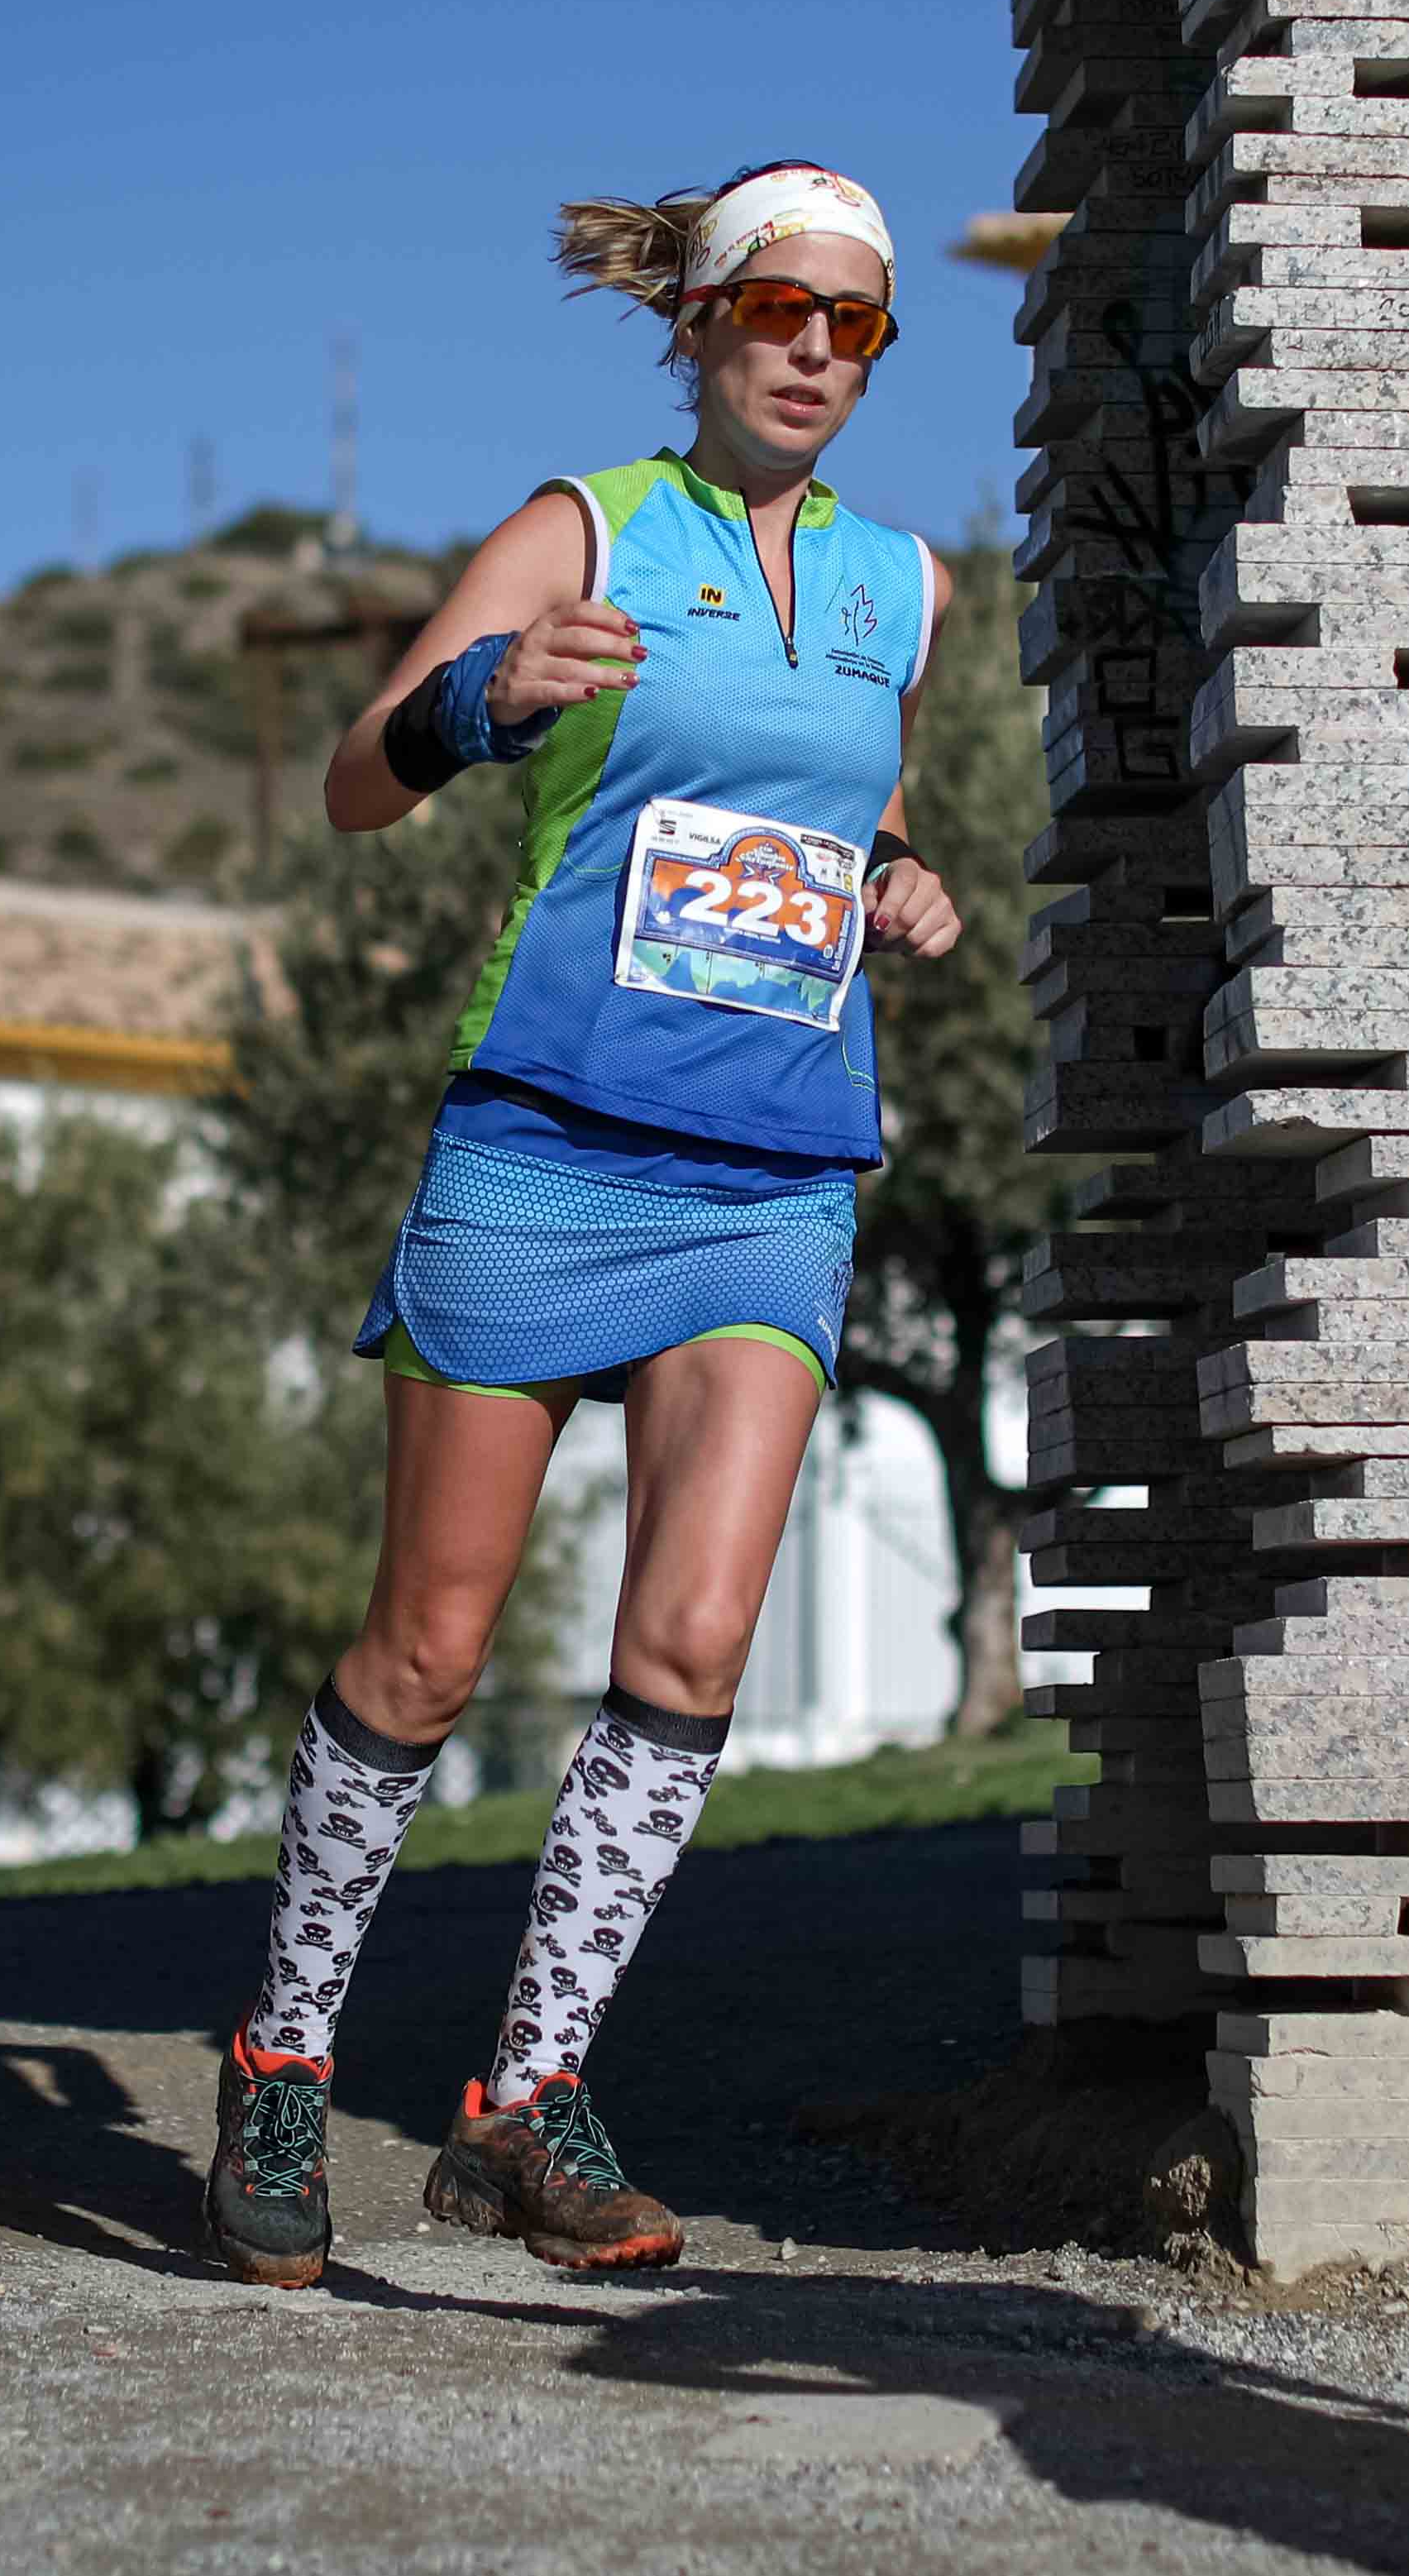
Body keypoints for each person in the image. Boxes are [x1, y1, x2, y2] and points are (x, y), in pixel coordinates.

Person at [198, 160, 963, 2287]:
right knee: (428, 1648)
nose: (817, 349)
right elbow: (359, 776)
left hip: (779, 1172)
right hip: (545, 1145)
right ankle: (279, 2054)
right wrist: (489, 695)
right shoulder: (589, 526)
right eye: (780, 310)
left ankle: (526, 2102)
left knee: (693, 1644)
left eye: (859, 324)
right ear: (704, 323)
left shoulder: (906, 585)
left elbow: (858, 811)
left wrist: (907, 885)